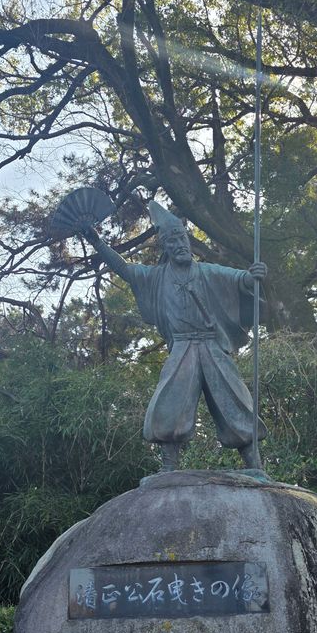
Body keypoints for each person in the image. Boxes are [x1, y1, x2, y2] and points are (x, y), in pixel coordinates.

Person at [89, 201, 267, 471]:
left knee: (235, 401)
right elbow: (125, 269)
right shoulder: (157, 277)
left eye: (183, 239)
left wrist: (250, 276)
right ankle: (169, 465)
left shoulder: (207, 272)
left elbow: (237, 278)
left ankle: (255, 465)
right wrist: (96, 242)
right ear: (166, 248)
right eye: (173, 242)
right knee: (170, 399)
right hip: (182, 346)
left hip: (211, 343)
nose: (180, 245)